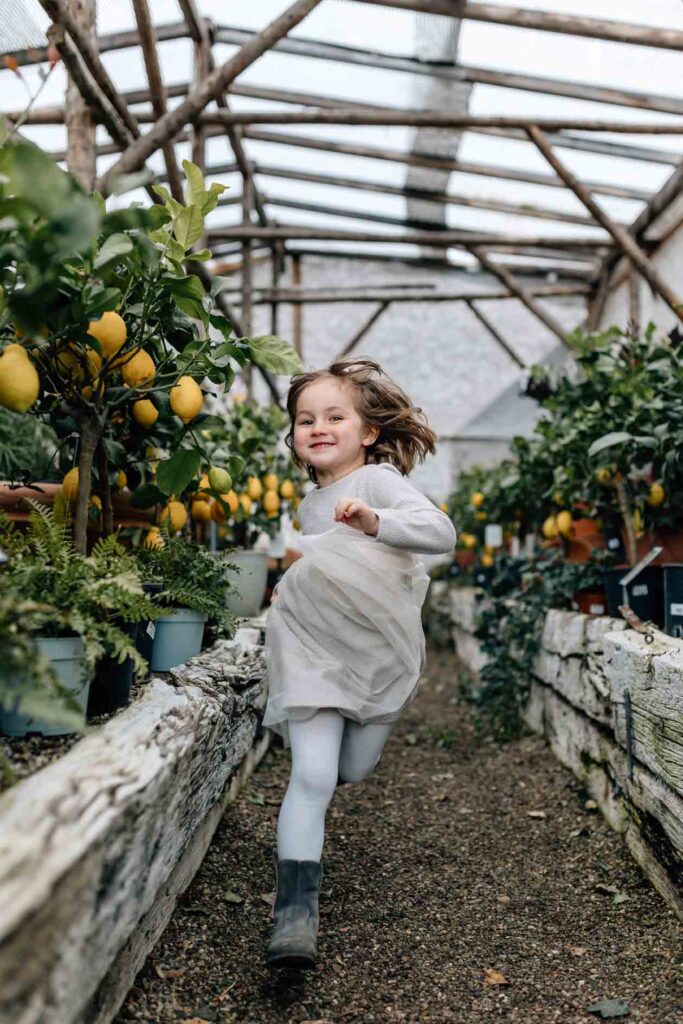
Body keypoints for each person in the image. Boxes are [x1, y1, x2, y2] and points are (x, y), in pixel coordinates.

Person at [262, 357, 457, 969]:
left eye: (334, 416)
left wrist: (377, 522)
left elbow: (440, 532)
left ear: (368, 431)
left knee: (351, 768)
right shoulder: (307, 502)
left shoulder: (373, 483)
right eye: (304, 419)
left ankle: (349, 745)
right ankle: (294, 916)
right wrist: (292, 581)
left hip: (373, 658)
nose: (317, 427)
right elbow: (325, 566)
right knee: (312, 778)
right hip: (310, 649)